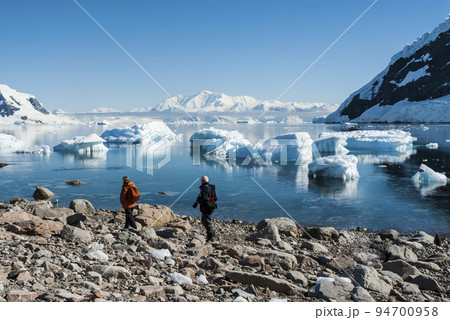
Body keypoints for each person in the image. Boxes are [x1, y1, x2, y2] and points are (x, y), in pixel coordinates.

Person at [193, 176, 217, 242]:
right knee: (206, 220)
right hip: (212, 206)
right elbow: (215, 198)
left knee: (206, 221)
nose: (201, 182)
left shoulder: (204, 188)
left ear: (202, 181)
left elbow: (205, 199)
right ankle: (210, 234)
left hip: (207, 207)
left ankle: (211, 236)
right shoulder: (212, 187)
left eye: (201, 181)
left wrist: (199, 201)